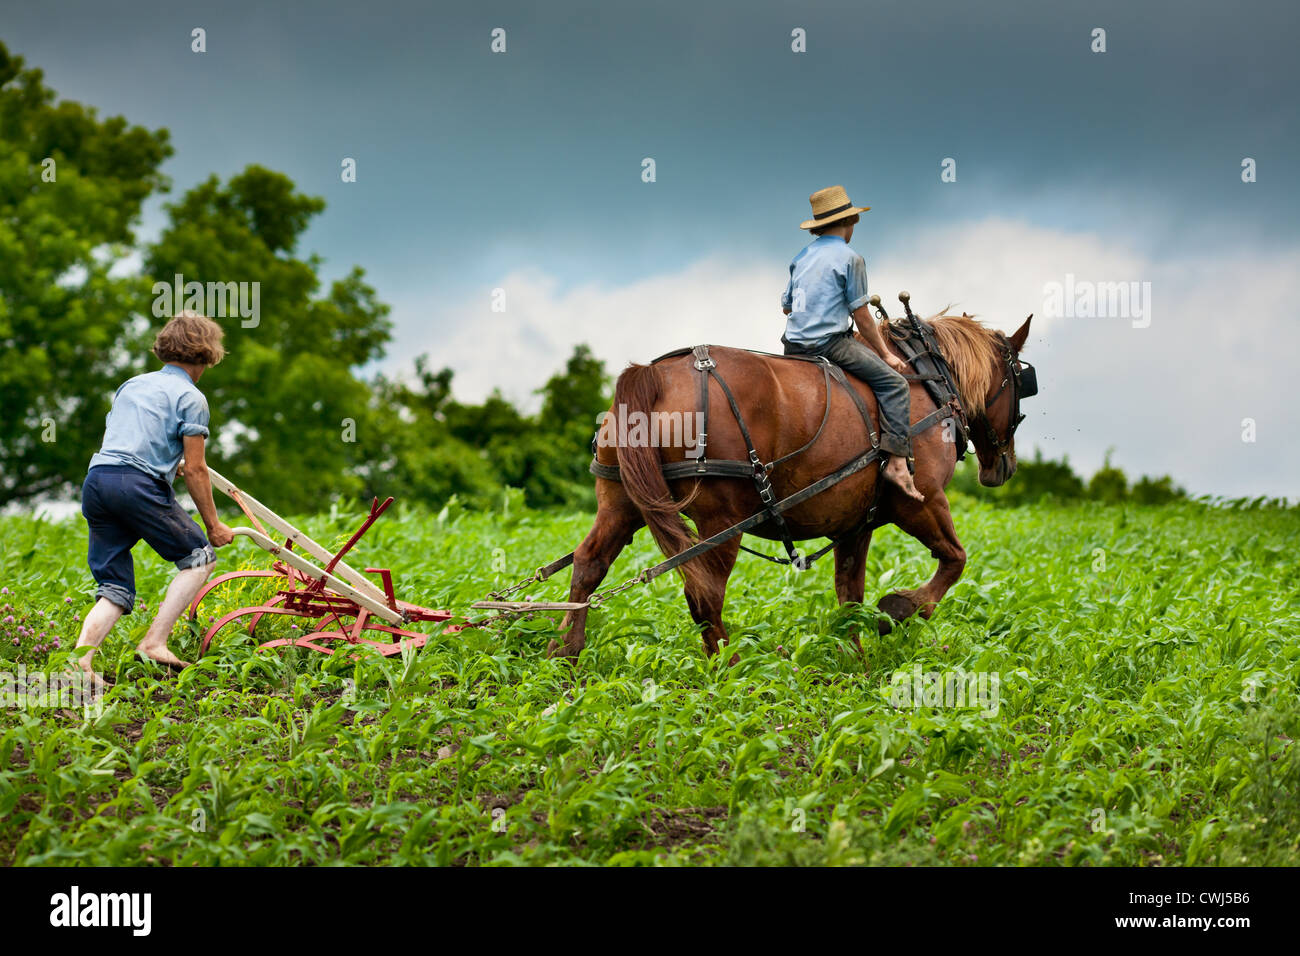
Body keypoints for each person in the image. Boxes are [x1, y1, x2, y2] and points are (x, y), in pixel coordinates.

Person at [75, 311, 236, 687]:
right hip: (135, 485)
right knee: (200, 558)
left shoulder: (131, 385)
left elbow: (131, 438)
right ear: (207, 354)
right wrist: (213, 525)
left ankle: (78, 663)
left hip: (98, 481)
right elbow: (197, 470)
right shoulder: (191, 397)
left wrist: (166, 461)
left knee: (114, 585)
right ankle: (155, 642)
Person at [781, 185, 924, 502]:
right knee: (895, 384)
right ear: (851, 223)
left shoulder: (801, 257)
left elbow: (787, 307)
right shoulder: (851, 258)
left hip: (792, 346)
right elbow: (861, 315)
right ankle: (898, 464)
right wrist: (886, 354)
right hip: (829, 344)